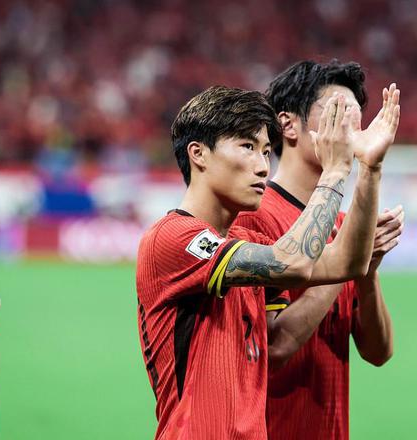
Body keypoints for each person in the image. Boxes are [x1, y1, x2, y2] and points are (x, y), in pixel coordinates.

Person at [136, 83, 400, 439]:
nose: (262, 167)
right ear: (198, 154)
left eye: (265, 152)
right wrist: (334, 172)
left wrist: (369, 167)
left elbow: (348, 262)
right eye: (247, 147)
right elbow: (293, 262)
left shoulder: (247, 242)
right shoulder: (172, 237)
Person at [234, 59, 402, 440]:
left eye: (356, 117)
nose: (350, 128)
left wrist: (367, 268)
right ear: (288, 125)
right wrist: (346, 257)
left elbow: (379, 351)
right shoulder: (255, 217)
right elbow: (274, 347)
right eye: (337, 112)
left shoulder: (344, 223)